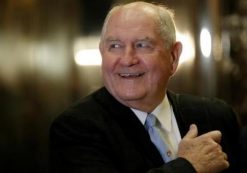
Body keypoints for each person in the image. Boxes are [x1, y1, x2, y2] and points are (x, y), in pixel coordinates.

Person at [49, 1, 241, 173]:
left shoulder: (216, 116)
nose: (127, 59)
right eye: (115, 46)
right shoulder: (75, 128)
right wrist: (188, 166)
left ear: (173, 57)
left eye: (142, 45)